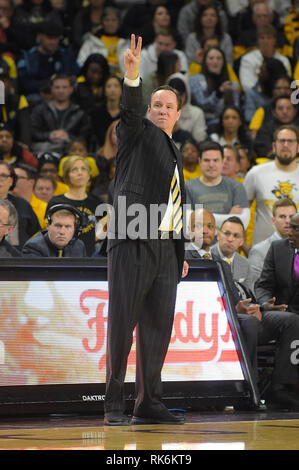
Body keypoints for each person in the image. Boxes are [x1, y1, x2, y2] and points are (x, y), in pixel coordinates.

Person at [104, 34, 188, 426]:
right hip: (132, 240)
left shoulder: (174, 150)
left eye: (168, 106)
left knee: (158, 329)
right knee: (123, 323)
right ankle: (114, 404)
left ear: (177, 114)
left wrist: (178, 253)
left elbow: (173, 204)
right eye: (156, 104)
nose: (161, 110)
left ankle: (148, 403)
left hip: (165, 252)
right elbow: (130, 112)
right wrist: (133, 77)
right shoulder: (135, 134)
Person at [186, 208, 299, 410]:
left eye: (210, 226)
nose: (205, 230)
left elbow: (233, 299)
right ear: (188, 230)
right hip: (194, 319)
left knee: (272, 320)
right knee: (248, 323)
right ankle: (247, 389)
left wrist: (245, 307)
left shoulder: (222, 263)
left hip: (234, 316)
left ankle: (272, 389)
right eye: (199, 226)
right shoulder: (181, 259)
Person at [244, 124, 299, 245]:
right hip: (262, 252)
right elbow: (241, 213)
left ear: (298, 147)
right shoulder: (255, 173)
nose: (285, 145)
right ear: (274, 146)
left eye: (290, 141)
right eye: (282, 141)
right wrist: (244, 247)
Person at [186, 140, 250, 230]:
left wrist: (199, 217)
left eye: (216, 160)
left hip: (228, 243)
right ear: (199, 161)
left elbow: (243, 223)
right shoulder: (187, 187)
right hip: (198, 243)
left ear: (222, 161)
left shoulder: (237, 186)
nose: (211, 165)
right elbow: (186, 224)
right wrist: (230, 217)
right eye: (206, 160)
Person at [47, 155, 104, 256]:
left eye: (83, 169)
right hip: (63, 258)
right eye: (74, 170)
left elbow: (106, 231)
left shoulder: (97, 202)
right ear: (67, 175)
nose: (80, 173)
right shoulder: (56, 202)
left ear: (89, 175)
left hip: (91, 258)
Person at [17, 19, 79, 105]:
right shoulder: (28, 58)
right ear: (40, 36)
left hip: (65, 96)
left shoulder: (66, 55)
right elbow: (23, 85)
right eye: (49, 38)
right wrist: (48, 83)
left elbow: (76, 74)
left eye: (56, 38)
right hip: (38, 98)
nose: (53, 42)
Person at [31, 74, 91, 155]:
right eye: (57, 87)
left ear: (71, 89)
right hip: (45, 151)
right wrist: (49, 135)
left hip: (71, 152)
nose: (61, 91)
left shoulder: (80, 112)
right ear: (51, 89)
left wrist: (68, 136)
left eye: (64, 87)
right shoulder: (40, 110)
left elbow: (84, 137)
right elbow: (33, 132)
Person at [189, 47, 239, 131]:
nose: (215, 61)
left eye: (219, 58)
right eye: (211, 58)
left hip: (227, 126)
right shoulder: (196, 79)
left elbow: (236, 110)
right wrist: (219, 93)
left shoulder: (232, 85)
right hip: (204, 124)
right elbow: (202, 105)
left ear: (223, 62)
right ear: (205, 61)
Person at [248, 198, 297, 285]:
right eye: (282, 217)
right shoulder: (259, 251)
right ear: (273, 220)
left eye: (291, 217)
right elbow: (255, 287)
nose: (288, 221)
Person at [77, 6, 130, 76]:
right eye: (107, 20)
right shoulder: (92, 40)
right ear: (102, 22)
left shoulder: (127, 42)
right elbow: (81, 62)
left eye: (114, 20)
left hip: (122, 80)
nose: (110, 23)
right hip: (97, 79)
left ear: (119, 23)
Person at [0, 161, 41, 249]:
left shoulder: (22, 204)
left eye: (3, 176)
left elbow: (34, 232)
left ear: (11, 181)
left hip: (18, 258)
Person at [239, 24, 291, 93]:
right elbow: (247, 86)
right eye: (262, 38)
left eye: (269, 38)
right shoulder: (247, 59)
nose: (265, 41)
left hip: (278, 96)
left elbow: (286, 83)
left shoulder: (284, 60)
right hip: (256, 96)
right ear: (258, 41)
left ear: (275, 40)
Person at [211, 216, 255, 294]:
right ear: (218, 235)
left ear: (241, 242)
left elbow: (249, 297)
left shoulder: (246, 264)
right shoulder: (205, 257)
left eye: (236, 236)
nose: (230, 239)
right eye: (227, 234)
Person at [22, 204, 86, 257]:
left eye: (67, 227)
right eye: (58, 226)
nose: (62, 232)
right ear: (48, 226)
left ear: (75, 228)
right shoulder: (33, 247)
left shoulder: (79, 246)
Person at [167, 73, 207, 144]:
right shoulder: (155, 111)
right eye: (173, 95)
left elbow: (200, 141)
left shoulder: (197, 113)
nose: (177, 99)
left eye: (180, 95)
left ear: (186, 93)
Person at [12, 163, 47, 229]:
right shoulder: (4, 205)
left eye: (16, 177)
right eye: (11, 177)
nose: (12, 181)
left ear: (31, 182)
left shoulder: (44, 208)